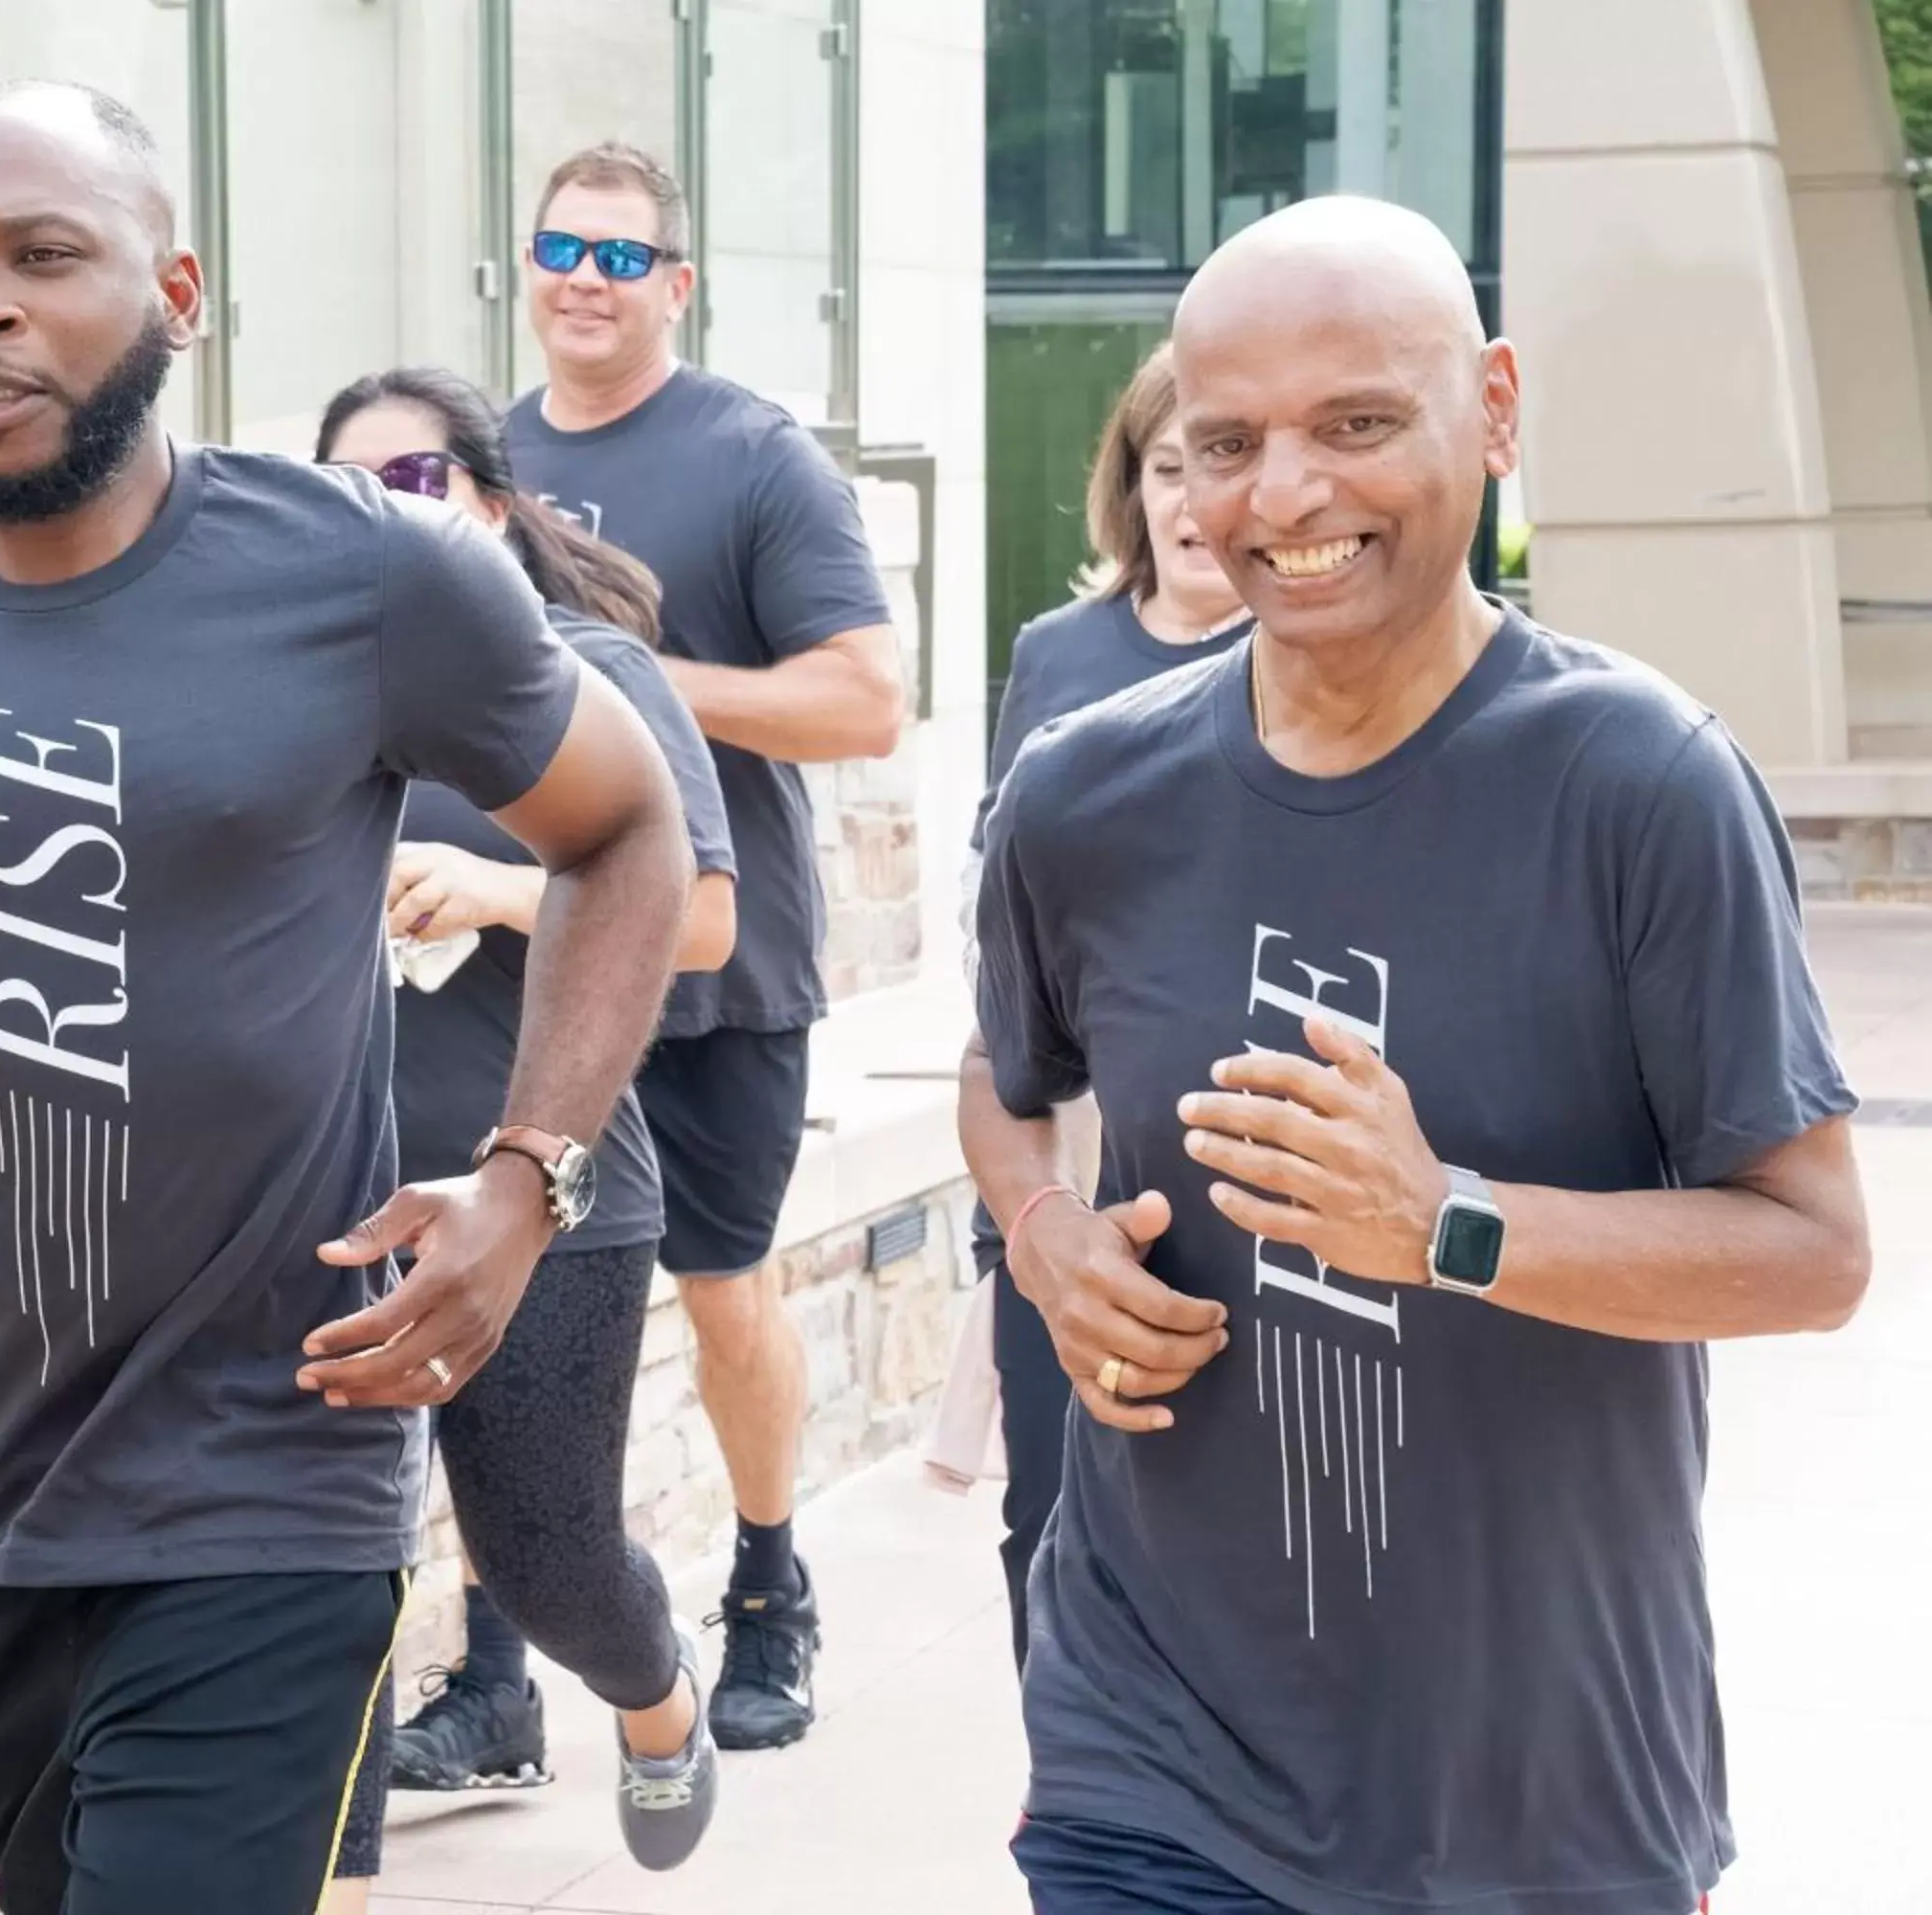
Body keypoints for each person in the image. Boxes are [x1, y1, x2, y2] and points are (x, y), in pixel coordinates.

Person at [0, 84, 694, 1915]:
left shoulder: (370, 574)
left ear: (176, 292)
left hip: (282, 1467)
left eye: (42, 257)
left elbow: (628, 829)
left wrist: (531, 1176)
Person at [963, 194, 1871, 1914]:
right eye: (1226, 443)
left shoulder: (1641, 785)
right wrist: (1043, 1237)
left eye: (1357, 424)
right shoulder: (1083, 794)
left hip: (1538, 1798)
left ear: (1497, 412)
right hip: (1154, 1764)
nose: (1284, 496)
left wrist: (1445, 1221)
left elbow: (1816, 1256)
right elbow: (1008, 1085)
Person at [313, 367, 741, 1893]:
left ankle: (656, 1695)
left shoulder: (592, 671)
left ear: (490, 504)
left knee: (550, 1559)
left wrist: (502, 890)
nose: (391, 517)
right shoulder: (312, 686)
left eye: (417, 482)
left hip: (550, 1190)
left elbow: (700, 921)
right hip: (324, 1196)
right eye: (353, 495)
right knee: (326, 1575)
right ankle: (333, 1872)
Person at [504, 140, 904, 1755]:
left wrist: (631, 688)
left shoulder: (755, 459)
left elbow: (866, 698)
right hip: (523, 967)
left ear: (676, 284)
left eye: (622, 258)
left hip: (718, 970)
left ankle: (766, 1588)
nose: (585, 281)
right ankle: (490, 1667)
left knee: (725, 1293)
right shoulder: (485, 458)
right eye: (561, 249)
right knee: (501, 1308)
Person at [955, 341, 1249, 1671]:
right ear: (1129, 488)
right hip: (1060, 1148)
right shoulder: (1059, 654)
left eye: (1218, 464)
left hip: (1243, 1151)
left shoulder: (1321, 662)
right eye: (1165, 467)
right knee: (1052, 1505)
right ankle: (1075, 1774)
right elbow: (1002, 905)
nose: (1191, 504)